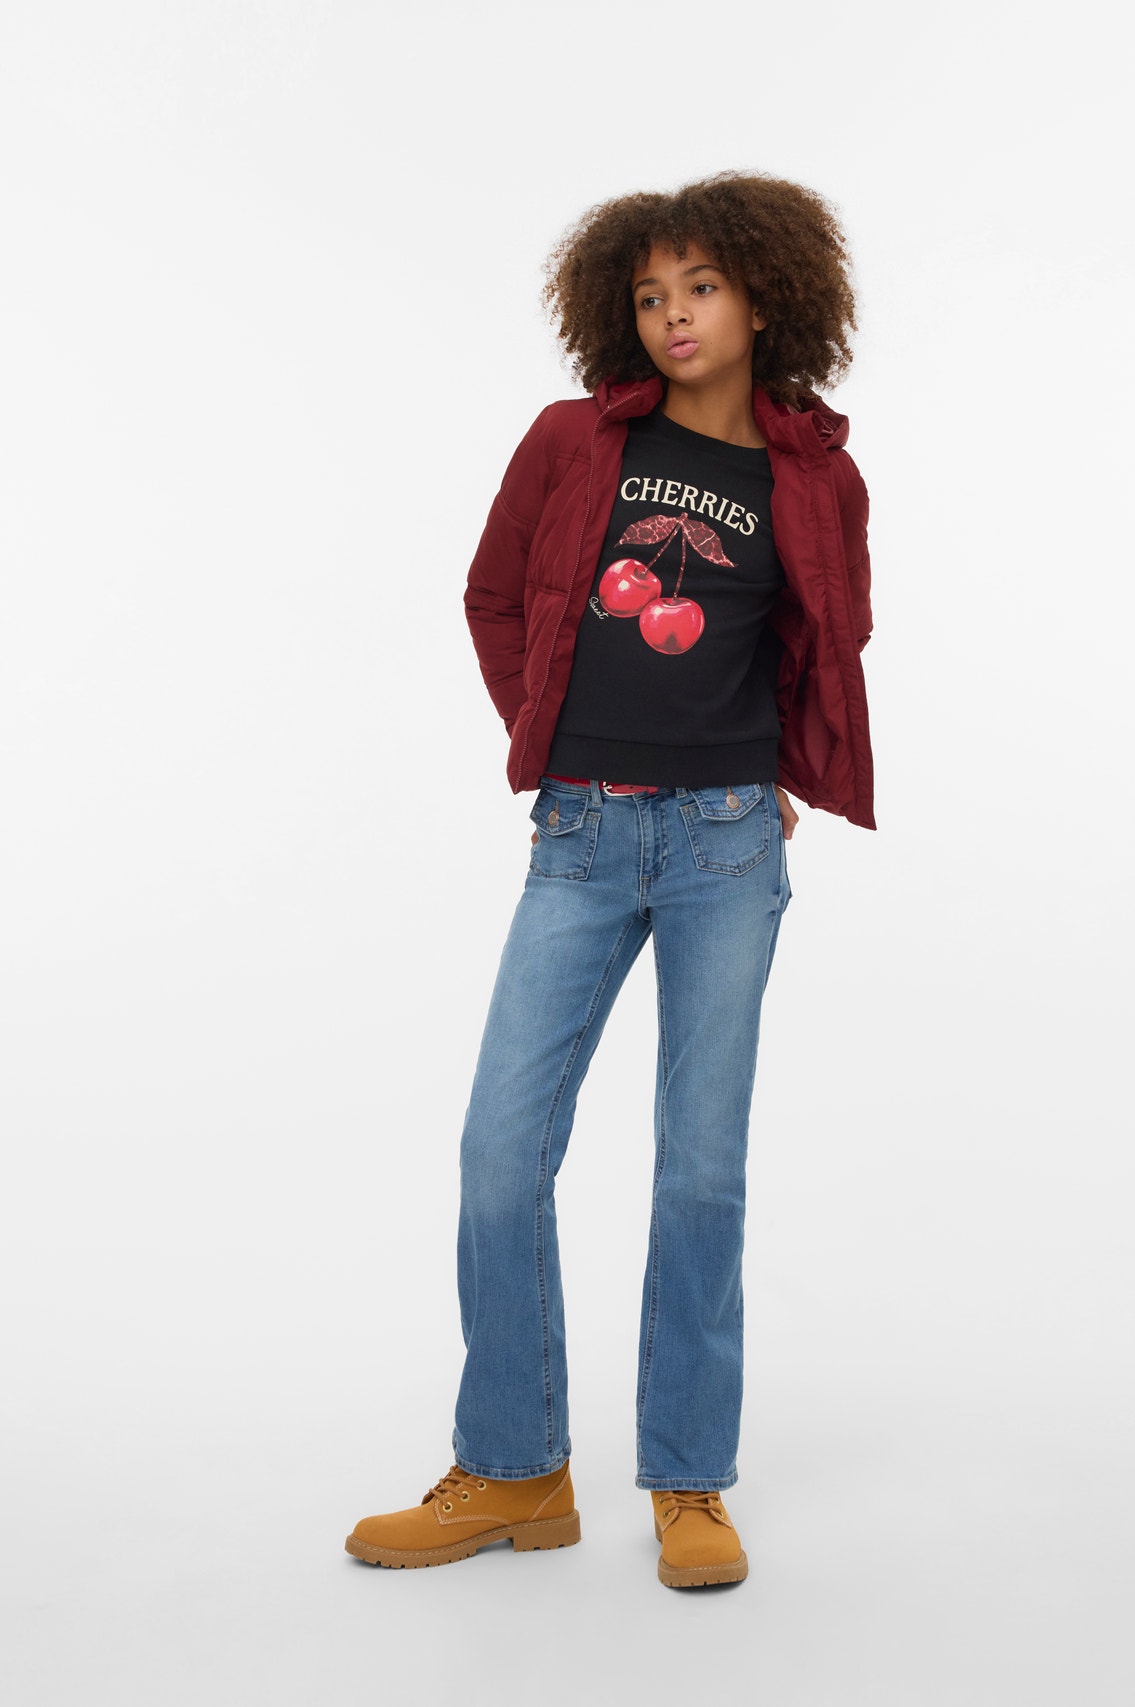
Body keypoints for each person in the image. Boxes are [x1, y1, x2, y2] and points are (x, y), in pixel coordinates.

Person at [345, 170, 874, 1589]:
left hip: (724, 847)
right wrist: (547, 730)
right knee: (498, 1150)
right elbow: (494, 593)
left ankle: (689, 1480)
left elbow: (827, 638)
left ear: (765, 299)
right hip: (579, 836)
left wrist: (781, 773)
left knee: (701, 1169)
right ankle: (516, 1470)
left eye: (700, 287)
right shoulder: (573, 439)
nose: (673, 315)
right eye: (648, 295)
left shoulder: (815, 479)